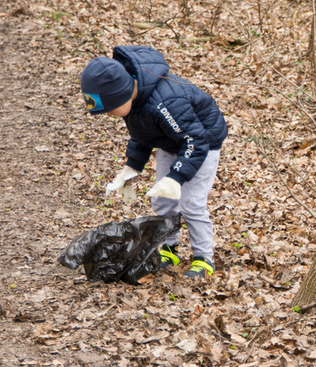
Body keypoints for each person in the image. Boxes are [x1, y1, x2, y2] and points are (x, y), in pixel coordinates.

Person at [80, 46, 228, 280]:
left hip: (203, 144)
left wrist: (176, 177)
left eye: (110, 109)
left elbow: (195, 141)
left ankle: (203, 258)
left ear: (123, 93)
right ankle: (169, 249)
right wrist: (131, 168)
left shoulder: (166, 102)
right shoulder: (135, 101)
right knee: (162, 200)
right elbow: (142, 135)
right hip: (172, 143)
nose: (109, 115)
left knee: (191, 204)